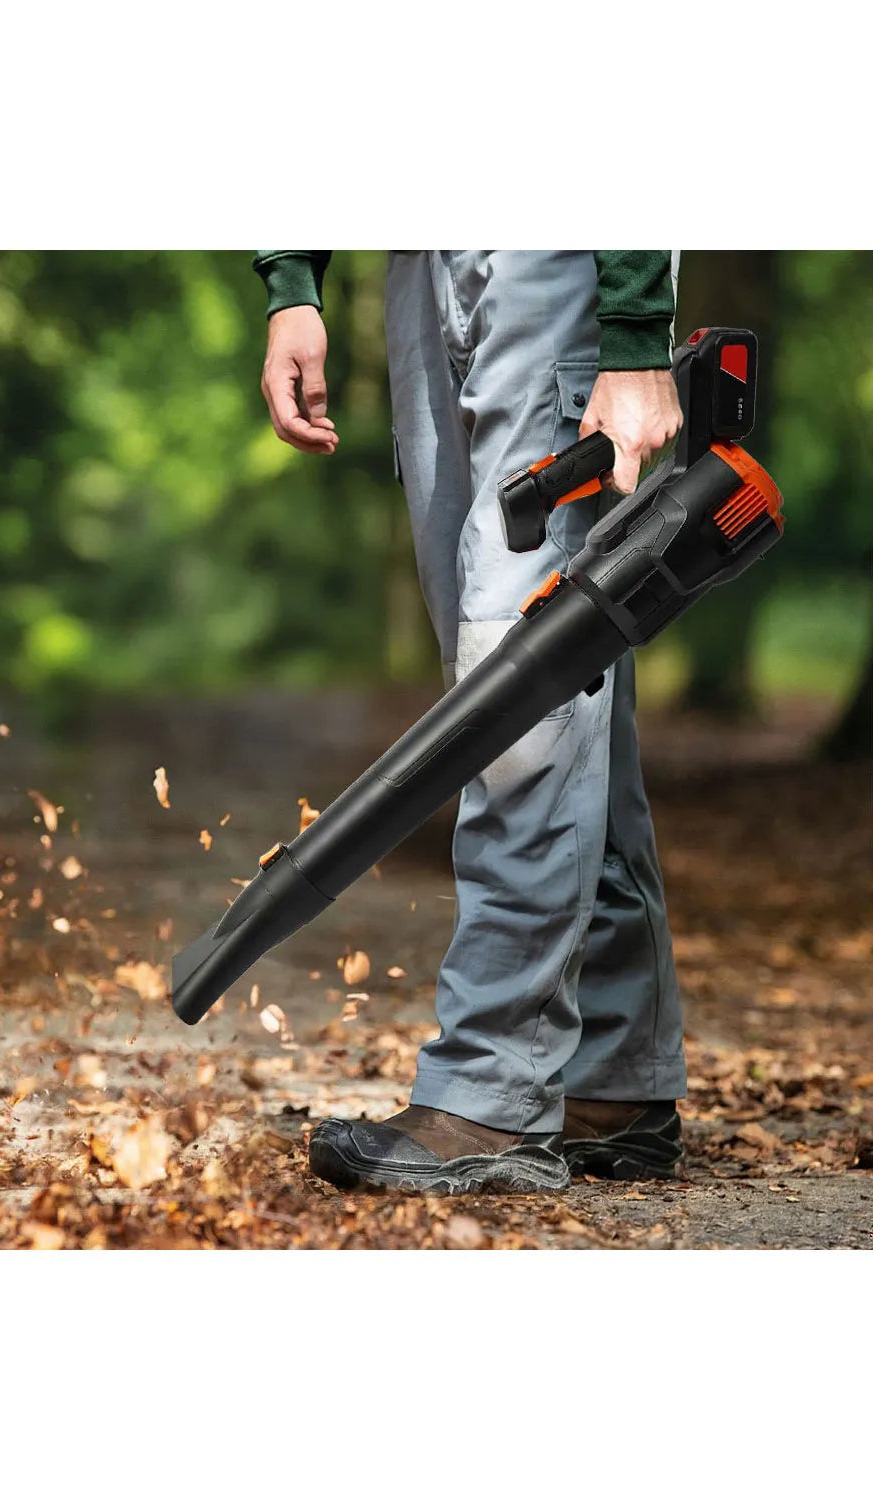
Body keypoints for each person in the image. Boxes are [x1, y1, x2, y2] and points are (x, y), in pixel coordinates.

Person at [253, 250, 686, 1193]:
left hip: (562, 254)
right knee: (543, 674)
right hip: (416, 260)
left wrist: (635, 330)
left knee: (519, 682)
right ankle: (615, 1075)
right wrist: (294, 279)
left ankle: (492, 1092)